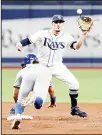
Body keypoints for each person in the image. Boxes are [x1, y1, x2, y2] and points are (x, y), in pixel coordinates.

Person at [16, 14, 92, 117]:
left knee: (74, 84)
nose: (58, 24)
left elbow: (76, 46)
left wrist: (83, 35)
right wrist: (20, 44)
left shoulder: (66, 37)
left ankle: (74, 108)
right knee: (39, 103)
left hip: (57, 65)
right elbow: (29, 40)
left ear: (63, 24)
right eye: (56, 22)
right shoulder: (43, 34)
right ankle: (18, 109)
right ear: (52, 24)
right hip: (42, 66)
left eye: (60, 22)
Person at [11, 54, 52, 129]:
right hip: (43, 75)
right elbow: (51, 90)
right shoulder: (44, 70)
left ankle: (18, 116)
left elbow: (15, 94)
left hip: (27, 76)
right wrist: (53, 101)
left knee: (21, 100)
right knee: (38, 105)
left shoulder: (23, 70)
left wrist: (17, 107)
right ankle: (35, 98)